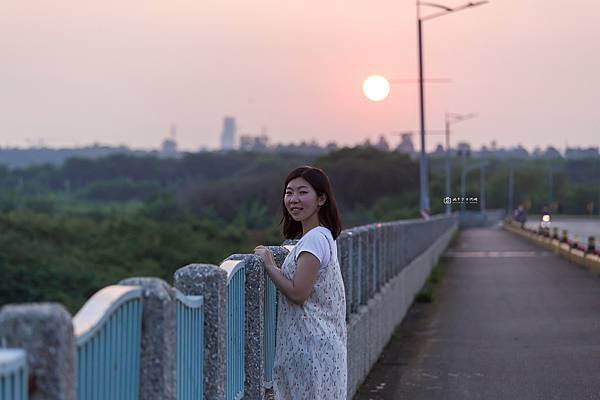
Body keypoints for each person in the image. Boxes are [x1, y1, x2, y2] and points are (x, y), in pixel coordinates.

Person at [254, 165, 347, 400]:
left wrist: (269, 265)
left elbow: (298, 293)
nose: (294, 199)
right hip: (318, 344)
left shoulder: (314, 240)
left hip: (310, 348)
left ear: (321, 199)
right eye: (289, 192)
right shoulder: (323, 235)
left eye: (303, 192)